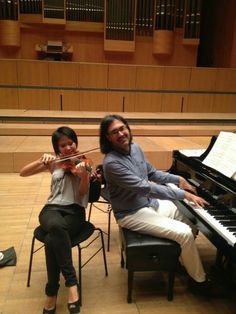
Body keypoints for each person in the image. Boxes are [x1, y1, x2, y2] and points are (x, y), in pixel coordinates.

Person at [99, 114, 223, 297]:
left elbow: (152, 173)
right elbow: (145, 188)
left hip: (150, 204)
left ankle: (181, 260)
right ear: (108, 138)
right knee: (184, 233)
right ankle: (199, 281)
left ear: (128, 128)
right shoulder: (111, 164)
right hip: (131, 213)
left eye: (122, 128)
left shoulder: (135, 148)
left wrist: (178, 179)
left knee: (192, 215)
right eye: (114, 132)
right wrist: (183, 194)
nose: (121, 133)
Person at [20, 126, 91, 314]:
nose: (68, 147)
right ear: (57, 148)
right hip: (51, 210)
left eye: (71, 143)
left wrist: (84, 175)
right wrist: (41, 160)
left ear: (76, 143)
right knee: (56, 226)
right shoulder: (54, 163)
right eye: (63, 145)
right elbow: (23, 173)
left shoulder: (84, 163)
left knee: (52, 238)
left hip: (75, 213)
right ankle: (72, 283)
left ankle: (51, 291)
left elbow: (83, 193)